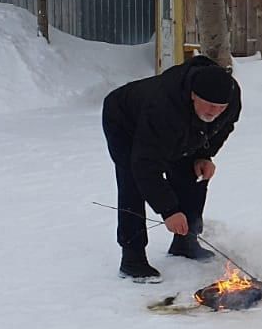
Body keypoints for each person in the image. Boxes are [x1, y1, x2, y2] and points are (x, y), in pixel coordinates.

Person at [102, 56, 240, 283]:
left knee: (190, 174)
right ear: (193, 95)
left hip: (177, 127)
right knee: (133, 183)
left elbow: (223, 126)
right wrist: (169, 210)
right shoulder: (163, 107)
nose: (215, 112)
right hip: (124, 120)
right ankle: (132, 258)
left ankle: (185, 241)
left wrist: (204, 155)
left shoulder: (231, 99)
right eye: (210, 105)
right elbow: (145, 165)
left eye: (220, 107)